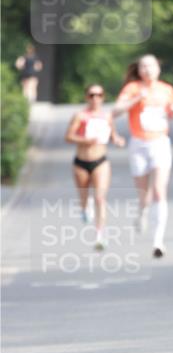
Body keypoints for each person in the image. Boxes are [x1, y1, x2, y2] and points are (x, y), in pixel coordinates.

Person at [112, 55, 173, 258]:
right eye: (143, 66)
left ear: (158, 68)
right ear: (139, 70)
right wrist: (135, 99)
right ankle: (142, 209)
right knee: (144, 194)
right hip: (138, 144)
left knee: (159, 190)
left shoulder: (166, 89)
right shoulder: (132, 88)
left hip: (160, 142)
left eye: (150, 66)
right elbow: (115, 111)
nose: (147, 69)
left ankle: (158, 241)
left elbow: (172, 110)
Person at [64, 84, 125, 250]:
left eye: (99, 95)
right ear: (86, 97)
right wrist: (85, 140)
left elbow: (113, 136)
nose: (95, 98)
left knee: (100, 198)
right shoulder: (80, 116)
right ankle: (85, 207)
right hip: (81, 162)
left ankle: (100, 236)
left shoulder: (107, 117)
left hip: (100, 161)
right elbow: (68, 137)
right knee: (84, 197)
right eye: (91, 95)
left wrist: (118, 140)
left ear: (103, 97)